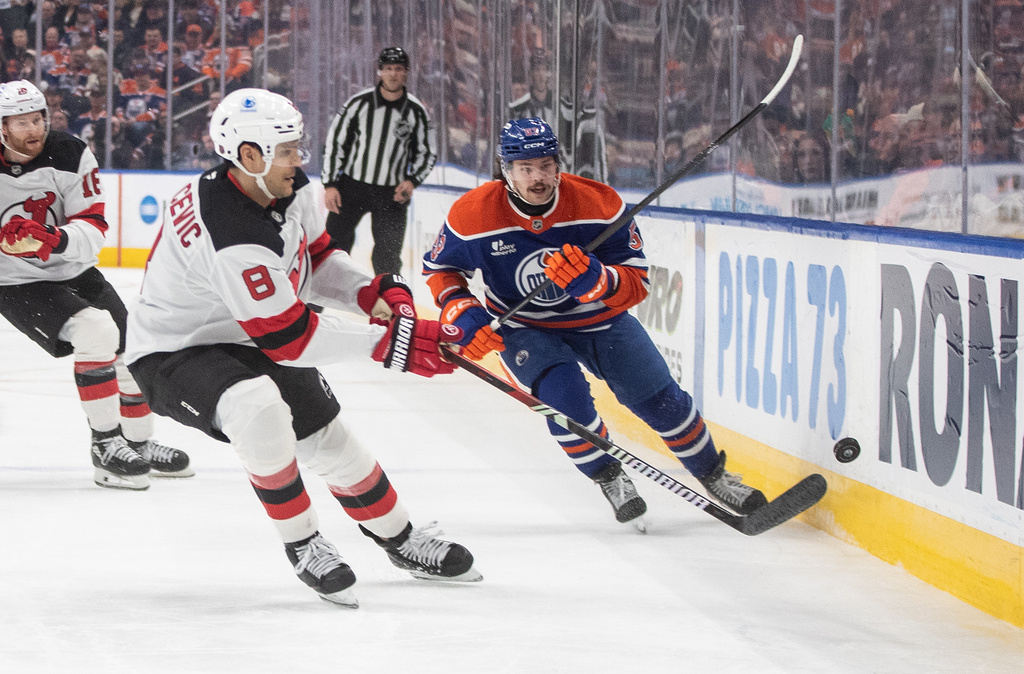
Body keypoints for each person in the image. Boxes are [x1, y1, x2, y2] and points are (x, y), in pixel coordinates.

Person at [124, 87, 480, 607]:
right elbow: (290, 338)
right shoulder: (230, 232)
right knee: (256, 406)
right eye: (288, 149)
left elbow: (313, 256)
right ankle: (305, 544)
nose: (299, 159)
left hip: (244, 331)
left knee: (328, 437)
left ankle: (400, 540)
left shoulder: (280, 189)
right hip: (171, 351)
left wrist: (369, 291)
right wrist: (391, 341)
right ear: (250, 155)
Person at [422, 117, 768, 525]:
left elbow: (637, 283)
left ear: (558, 163)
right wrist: (461, 310)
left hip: (601, 321)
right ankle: (608, 475)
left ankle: (714, 473)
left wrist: (597, 280)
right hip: (523, 328)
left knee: (663, 403)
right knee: (566, 401)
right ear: (506, 170)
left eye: (545, 165)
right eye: (525, 168)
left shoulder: (598, 203)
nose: (537, 177)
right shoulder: (473, 214)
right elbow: (440, 270)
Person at [0, 79, 192, 491]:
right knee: (96, 331)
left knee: (135, 350)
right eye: (21, 123)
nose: (33, 129)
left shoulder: (70, 152)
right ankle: (105, 448)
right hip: (14, 281)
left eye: (38, 119)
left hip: (71, 268)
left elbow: (94, 224)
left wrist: (55, 238)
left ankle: (137, 445)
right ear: (2, 128)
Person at [321, 46, 435, 275]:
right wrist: (331, 184)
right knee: (333, 251)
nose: (393, 74)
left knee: (388, 258)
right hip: (351, 188)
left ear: (407, 72)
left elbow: (427, 152)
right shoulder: (358, 103)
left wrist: (412, 181)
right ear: (380, 72)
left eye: (399, 69)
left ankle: (392, 309)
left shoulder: (416, 111)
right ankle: (316, 307)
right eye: (388, 68)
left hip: (391, 194)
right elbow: (336, 142)